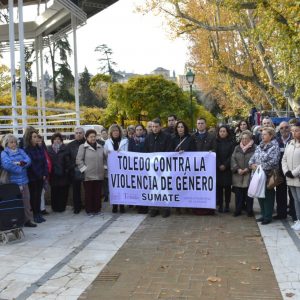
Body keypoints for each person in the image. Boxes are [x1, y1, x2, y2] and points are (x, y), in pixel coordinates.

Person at [1, 134, 36, 227]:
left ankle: (28, 220)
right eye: (11, 142)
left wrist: (19, 164)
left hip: (24, 181)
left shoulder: (21, 151)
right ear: (6, 144)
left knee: (26, 202)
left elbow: (28, 160)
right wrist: (20, 168)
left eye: (15, 142)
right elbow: (7, 165)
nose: (14, 144)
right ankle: (16, 221)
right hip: (12, 183)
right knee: (15, 203)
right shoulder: (4, 153)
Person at [249, 127, 280, 225]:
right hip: (257, 174)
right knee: (259, 194)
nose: (262, 136)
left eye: (265, 134)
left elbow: (274, 161)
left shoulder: (274, 146)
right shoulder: (259, 146)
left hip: (268, 175)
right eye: (262, 134)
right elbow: (253, 157)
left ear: (271, 136)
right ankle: (263, 214)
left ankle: (268, 216)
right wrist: (251, 164)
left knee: (268, 196)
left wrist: (259, 166)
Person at [144, 118, 172, 217]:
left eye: (156, 127)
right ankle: (154, 208)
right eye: (152, 127)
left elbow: (169, 151)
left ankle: (165, 208)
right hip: (152, 168)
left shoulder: (167, 137)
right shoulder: (148, 137)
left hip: (164, 167)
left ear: (160, 126)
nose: (154, 129)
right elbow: (146, 152)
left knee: (164, 187)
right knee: (154, 187)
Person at [76, 129, 105, 215]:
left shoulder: (100, 147)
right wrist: (84, 170)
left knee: (97, 193)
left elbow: (105, 158)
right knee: (89, 193)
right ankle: (89, 210)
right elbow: (78, 160)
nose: (93, 138)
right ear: (87, 138)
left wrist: (104, 167)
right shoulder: (83, 147)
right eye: (91, 137)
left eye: (94, 136)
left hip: (99, 174)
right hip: (88, 175)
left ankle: (97, 209)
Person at [24, 127, 48, 223]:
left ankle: (38, 214)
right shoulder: (27, 150)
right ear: (29, 138)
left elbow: (44, 162)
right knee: (33, 196)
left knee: (38, 196)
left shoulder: (40, 148)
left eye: (36, 137)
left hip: (41, 176)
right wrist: (39, 174)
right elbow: (31, 164)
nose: (36, 139)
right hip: (33, 177)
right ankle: (35, 214)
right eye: (34, 137)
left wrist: (44, 173)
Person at [192, 118, 216, 215]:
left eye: (202, 123)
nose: (200, 125)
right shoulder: (193, 137)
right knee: (197, 187)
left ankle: (208, 208)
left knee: (207, 187)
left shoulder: (211, 136)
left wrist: (211, 153)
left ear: (205, 125)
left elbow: (215, 148)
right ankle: (196, 208)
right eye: (198, 123)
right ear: (196, 125)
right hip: (196, 167)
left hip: (207, 167)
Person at [104, 124, 128, 213]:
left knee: (122, 187)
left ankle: (122, 205)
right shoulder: (107, 142)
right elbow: (104, 155)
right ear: (111, 132)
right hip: (112, 168)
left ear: (119, 132)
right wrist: (108, 153)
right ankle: (114, 205)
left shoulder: (125, 141)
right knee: (113, 187)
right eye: (113, 131)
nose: (115, 132)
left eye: (117, 131)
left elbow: (129, 153)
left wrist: (122, 153)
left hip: (122, 168)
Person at [231, 130, 256, 217]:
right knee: (238, 195)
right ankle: (238, 210)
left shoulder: (255, 148)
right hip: (238, 175)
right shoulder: (237, 148)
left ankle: (249, 210)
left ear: (250, 139)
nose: (244, 140)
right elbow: (233, 159)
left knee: (249, 194)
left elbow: (256, 159)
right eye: (243, 138)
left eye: (246, 138)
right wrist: (237, 169)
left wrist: (248, 169)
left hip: (248, 174)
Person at [274, 122, 294, 220]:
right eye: (282, 128)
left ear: (290, 128)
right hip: (280, 172)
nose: (284, 129)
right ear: (279, 130)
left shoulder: (294, 140)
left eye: (286, 127)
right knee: (280, 193)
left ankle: (294, 214)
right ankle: (281, 214)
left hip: (292, 172)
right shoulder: (277, 141)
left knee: (293, 194)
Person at [282, 122, 300, 230]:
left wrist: (293, 173)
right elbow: (284, 159)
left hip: (297, 177)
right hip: (290, 177)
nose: (294, 133)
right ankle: (298, 219)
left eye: (296, 130)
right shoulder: (290, 143)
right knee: (295, 200)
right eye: (292, 131)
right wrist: (286, 171)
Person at [47, 133, 70, 212]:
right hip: (53, 174)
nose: (57, 141)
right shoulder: (49, 149)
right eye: (55, 139)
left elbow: (68, 161)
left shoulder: (65, 148)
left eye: (58, 139)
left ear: (61, 140)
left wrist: (66, 171)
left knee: (63, 191)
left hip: (63, 174)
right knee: (54, 191)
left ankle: (62, 207)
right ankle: (55, 207)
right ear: (52, 140)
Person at [128, 124, 147, 214]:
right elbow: (129, 152)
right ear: (135, 131)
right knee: (138, 187)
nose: (139, 131)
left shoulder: (147, 139)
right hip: (135, 168)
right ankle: (139, 205)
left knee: (145, 187)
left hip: (145, 167)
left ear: (143, 130)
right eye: (137, 130)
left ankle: (145, 206)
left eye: (140, 129)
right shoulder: (131, 140)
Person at [66, 127, 85, 214]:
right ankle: (77, 206)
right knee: (76, 190)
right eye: (76, 133)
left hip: (86, 169)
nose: (78, 134)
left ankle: (88, 205)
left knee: (87, 189)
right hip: (74, 170)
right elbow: (67, 158)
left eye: (80, 133)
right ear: (74, 134)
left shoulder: (87, 143)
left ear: (83, 134)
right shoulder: (70, 145)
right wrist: (72, 166)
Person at [216, 125, 235, 213]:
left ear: (227, 132)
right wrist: (219, 164)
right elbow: (214, 154)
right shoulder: (215, 142)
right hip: (218, 168)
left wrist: (225, 165)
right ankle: (220, 205)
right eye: (221, 131)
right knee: (219, 188)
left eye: (224, 131)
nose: (222, 133)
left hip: (227, 169)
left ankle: (227, 205)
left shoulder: (231, 142)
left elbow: (232, 155)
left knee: (227, 188)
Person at [37, 134, 51, 215]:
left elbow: (48, 162)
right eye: (37, 141)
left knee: (42, 192)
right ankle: (40, 209)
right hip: (38, 175)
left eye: (40, 141)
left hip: (45, 175)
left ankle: (42, 208)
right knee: (39, 193)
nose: (39, 142)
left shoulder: (44, 150)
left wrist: (47, 172)